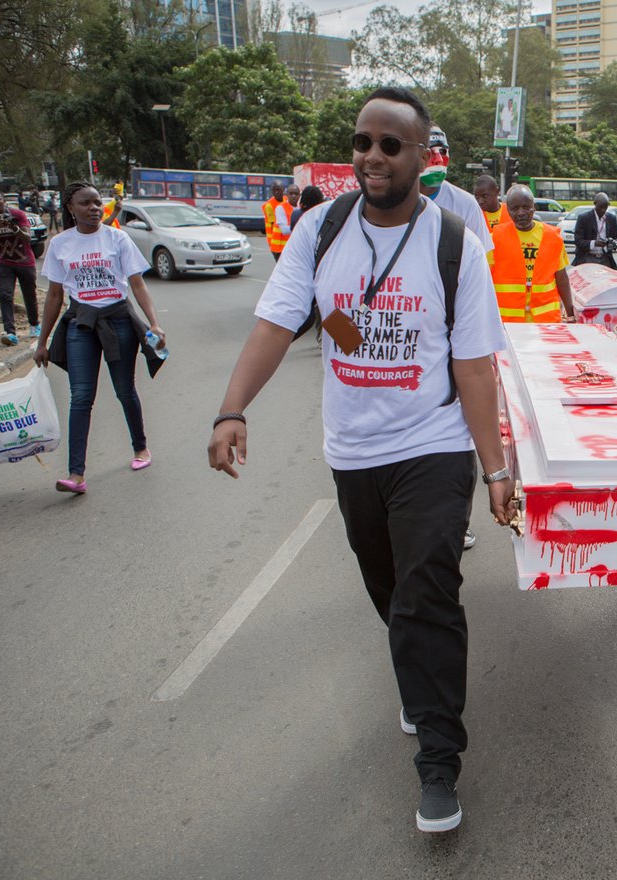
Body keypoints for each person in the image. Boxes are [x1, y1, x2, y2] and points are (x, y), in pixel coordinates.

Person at [207, 87, 512, 833]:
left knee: (427, 592)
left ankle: (439, 761)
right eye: (363, 142)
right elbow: (282, 325)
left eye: (390, 145)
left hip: (434, 448)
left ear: (421, 154)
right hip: (354, 452)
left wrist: (496, 469)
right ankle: (416, 673)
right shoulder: (320, 229)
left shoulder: (454, 245)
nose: (372, 156)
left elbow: (474, 368)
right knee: (388, 589)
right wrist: (231, 407)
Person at [33, 182, 167, 495]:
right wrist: (43, 341)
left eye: (98, 203)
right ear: (71, 208)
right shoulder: (60, 244)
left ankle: (141, 448)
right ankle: (76, 474)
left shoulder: (117, 238)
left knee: (124, 390)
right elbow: (54, 296)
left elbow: (137, 285)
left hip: (118, 322)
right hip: (81, 325)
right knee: (80, 396)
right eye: (87, 203)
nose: (95, 208)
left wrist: (155, 324)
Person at [419, 125, 493, 552]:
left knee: (458, 434)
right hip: (408, 352)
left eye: (442, 152)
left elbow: (481, 277)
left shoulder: (464, 206)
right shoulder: (379, 205)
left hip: (454, 343)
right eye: (429, 151)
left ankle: (455, 521)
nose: (435, 160)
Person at [487, 185, 573, 322]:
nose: (521, 213)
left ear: (534, 207)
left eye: (526, 207)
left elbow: (562, 278)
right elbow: (484, 280)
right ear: (507, 210)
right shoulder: (494, 239)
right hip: (508, 322)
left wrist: (570, 313)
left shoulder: (553, 237)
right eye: (515, 208)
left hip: (546, 321)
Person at [0, 188, 41, 345]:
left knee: (29, 294)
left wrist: (15, 228)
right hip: (4, 264)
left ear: (4, 200)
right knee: (5, 296)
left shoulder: (17, 214)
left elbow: (28, 238)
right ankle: (10, 332)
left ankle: (34, 324)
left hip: (25, 262)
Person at [419, 127, 494, 255]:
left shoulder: (467, 205)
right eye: (430, 152)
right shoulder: (392, 201)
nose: (439, 159)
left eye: (443, 151)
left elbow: (480, 257)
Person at [572, 192, 617, 268]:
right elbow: (578, 241)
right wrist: (594, 243)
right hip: (587, 258)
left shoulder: (612, 219)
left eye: (606, 207)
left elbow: (616, 238)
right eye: (601, 207)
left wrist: (614, 243)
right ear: (595, 204)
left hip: (605, 258)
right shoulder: (584, 218)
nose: (603, 210)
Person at [262, 182, 289, 261]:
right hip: (277, 244)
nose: (276, 192)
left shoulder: (287, 200)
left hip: (287, 242)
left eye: (278, 190)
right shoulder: (269, 206)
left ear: (283, 190)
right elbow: (272, 225)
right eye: (274, 190)